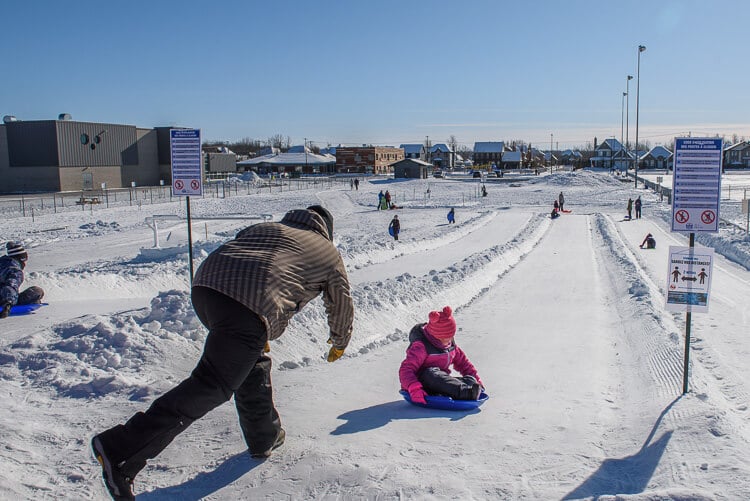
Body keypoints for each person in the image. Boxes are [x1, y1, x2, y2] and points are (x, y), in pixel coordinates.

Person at [91, 206, 354, 500]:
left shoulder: (265, 226)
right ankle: (121, 450)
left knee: (249, 360)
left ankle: (263, 436)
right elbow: (340, 301)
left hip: (206, 288)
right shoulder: (327, 251)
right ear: (326, 229)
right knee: (212, 383)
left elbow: (243, 256)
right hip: (248, 305)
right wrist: (339, 340)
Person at [399, 306, 484, 403]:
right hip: (421, 385)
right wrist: (414, 388)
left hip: (440, 382)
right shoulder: (421, 346)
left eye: (450, 337)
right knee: (431, 373)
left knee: (470, 380)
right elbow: (406, 369)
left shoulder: (450, 345)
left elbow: (463, 363)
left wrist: (476, 379)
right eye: (445, 338)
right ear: (434, 335)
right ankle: (466, 393)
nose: (448, 341)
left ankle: (470, 389)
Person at [0, 241, 45, 318]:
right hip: (3, 300)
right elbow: (11, 285)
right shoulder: (15, 270)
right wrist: (8, 303)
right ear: (21, 259)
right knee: (37, 291)